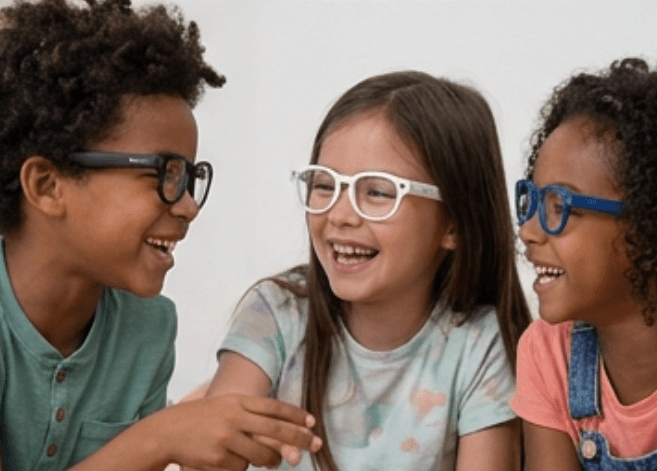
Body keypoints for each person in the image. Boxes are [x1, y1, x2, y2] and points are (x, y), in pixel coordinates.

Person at [0, 0, 322, 471]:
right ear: (47, 186)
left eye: (191, 177)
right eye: (164, 173)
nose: (189, 205)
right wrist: (160, 438)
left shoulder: (148, 325)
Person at [193, 70, 531, 471]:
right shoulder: (277, 312)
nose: (340, 215)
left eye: (377, 192)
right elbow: (207, 459)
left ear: (454, 223)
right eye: (324, 185)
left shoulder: (480, 346)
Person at [511, 57, 657, 470]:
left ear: (652, 226)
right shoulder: (547, 352)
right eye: (533, 201)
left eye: (560, 207)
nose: (528, 231)